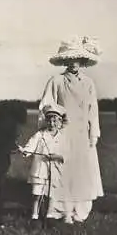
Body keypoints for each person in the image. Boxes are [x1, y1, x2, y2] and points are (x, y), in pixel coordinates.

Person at [38, 36, 104, 223]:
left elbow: (93, 111)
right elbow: (46, 105)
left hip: (83, 133)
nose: (73, 63)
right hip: (63, 133)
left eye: (77, 59)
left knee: (82, 171)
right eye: (70, 59)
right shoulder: (56, 81)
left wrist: (94, 133)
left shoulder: (88, 83)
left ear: (82, 61)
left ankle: (79, 211)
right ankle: (58, 210)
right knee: (62, 171)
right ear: (65, 61)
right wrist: (54, 122)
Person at [18, 104, 71, 224]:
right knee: (37, 193)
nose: (52, 124)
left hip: (56, 169)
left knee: (52, 193)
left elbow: (67, 154)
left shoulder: (63, 138)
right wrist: (24, 150)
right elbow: (30, 146)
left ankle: (50, 214)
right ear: (46, 122)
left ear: (59, 122)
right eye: (49, 121)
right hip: (40, 169)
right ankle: (35, 215)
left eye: (54, 121)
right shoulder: (40, 135)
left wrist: (57, 157)